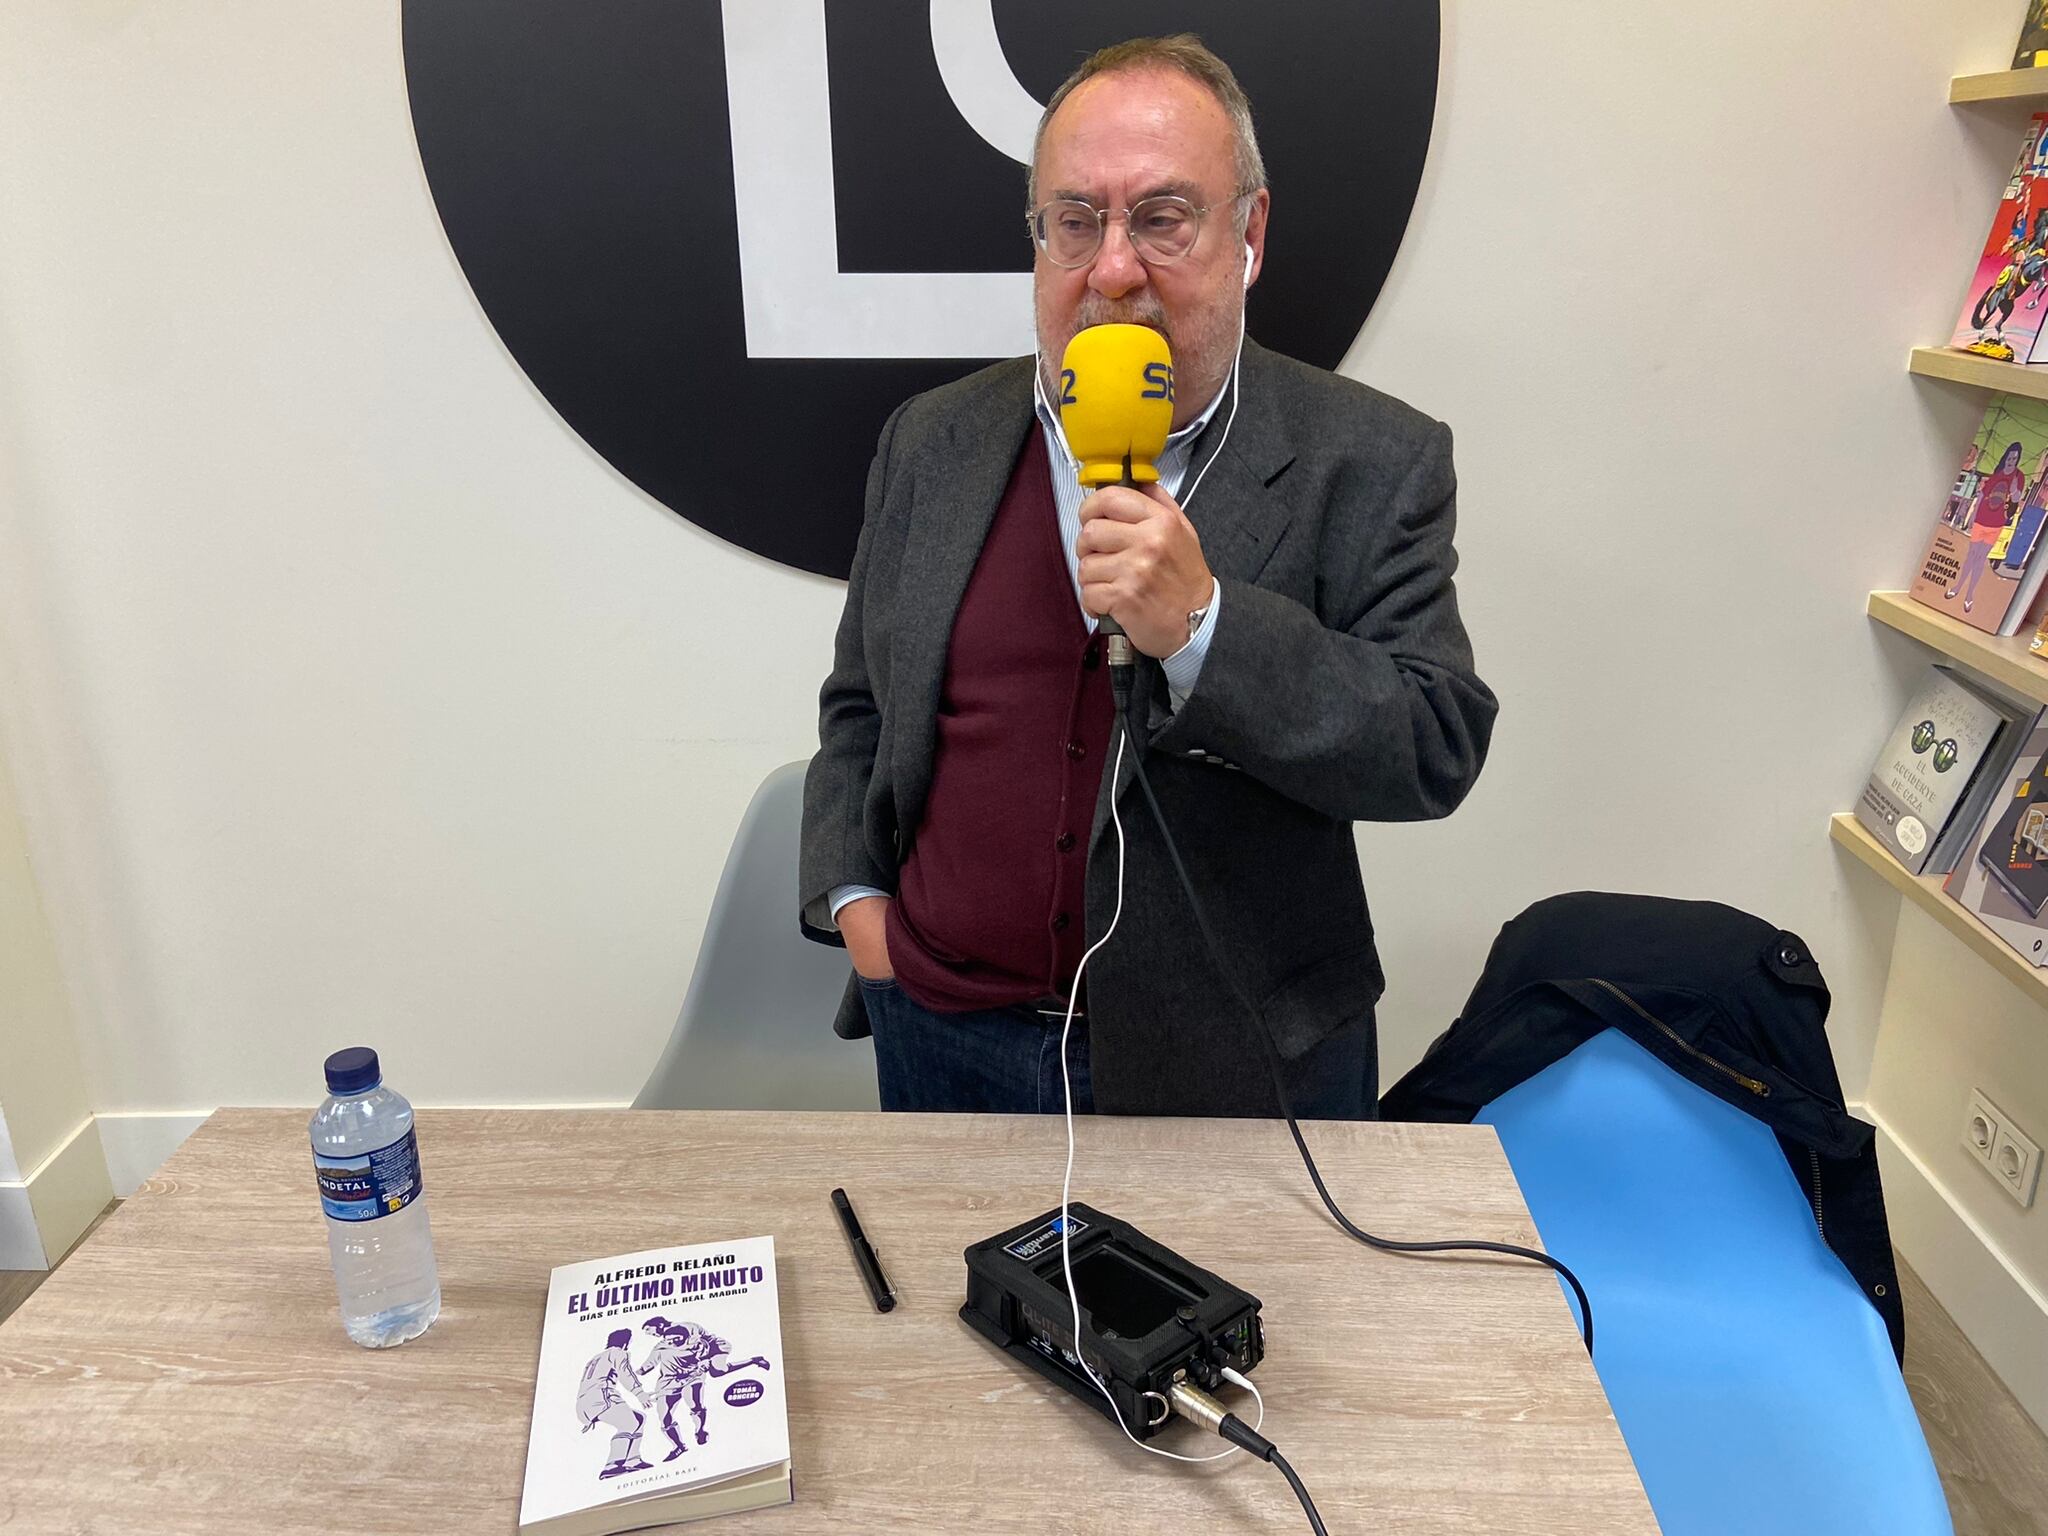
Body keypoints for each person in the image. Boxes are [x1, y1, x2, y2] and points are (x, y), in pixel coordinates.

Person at [800, 35, 1495, 1118]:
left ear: (1248, 235)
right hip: (942, 1035)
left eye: (1162, 219)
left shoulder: (1369, 458)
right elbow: (859, 707)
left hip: (1234, 1062)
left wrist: (1207, 629)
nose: (1112, 268)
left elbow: (1432, 740)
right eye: (1074, 222)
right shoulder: (929, 441)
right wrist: (858, 909)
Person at [637, 1315, 773, 1456]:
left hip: (712, 1352)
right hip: (675, 1378)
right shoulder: (663, 1344)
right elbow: (649, 1363)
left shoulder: (688, 1331)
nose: (649, 1334)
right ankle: (679, 1447)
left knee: (716, 1373)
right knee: (665, 1416)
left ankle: (753, 1360)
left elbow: (703, 1344)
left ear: (659, 1324)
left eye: (649, 1329)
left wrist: (702, 1362)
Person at [575, 1328, 653, 1479]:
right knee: (629, 1424)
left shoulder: (595, 1358)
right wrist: (640, 1394)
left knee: (639, 1418)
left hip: (585, 1402)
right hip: (601, 1397)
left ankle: (633, 1460)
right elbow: (626, 1374)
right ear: (625, 1342)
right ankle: (612, 1465)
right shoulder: (617, 1352)